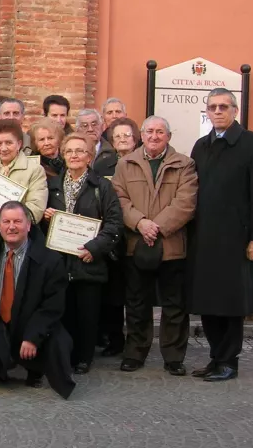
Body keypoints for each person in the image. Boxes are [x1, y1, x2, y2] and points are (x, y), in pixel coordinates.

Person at [188, 88, 253, 382]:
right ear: (207, 112)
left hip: (237, 240)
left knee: (231, 303)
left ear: (235, 110)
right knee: (208, 302)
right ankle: (215, 357)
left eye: (224, 106)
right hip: (204, 239)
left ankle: (229, 361)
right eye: (212, 107)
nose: (218, 111)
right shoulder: (201, 146)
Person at [113, 116, 197, 376]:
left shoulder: (185, 164)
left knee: (174, 305)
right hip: (136, 244)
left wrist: (155, 227)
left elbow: (186, 203)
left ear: (168, 136)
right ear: (141, 135)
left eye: (160, 132)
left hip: (171, 246)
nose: (154, 136)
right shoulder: (125, 164)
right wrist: (140, 224)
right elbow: (119, 199)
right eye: (149, 131)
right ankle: (135, 353)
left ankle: (173, 356)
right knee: (137, 303)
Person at [0, 202, 75, 398]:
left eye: (17, 221)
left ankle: (35, 369)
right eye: (6, 221)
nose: (11, 227)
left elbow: (52, 305)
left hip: (29, 320)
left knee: (58, 339)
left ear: (28, 225)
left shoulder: (50, 260)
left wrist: (33, 336)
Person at [42, 133, 123, 374]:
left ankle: (84, 358)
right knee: (63, 313)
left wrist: (94, 249)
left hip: (88, 263)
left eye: (80, 151)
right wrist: (46, 219)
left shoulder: (102, 187)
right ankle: (63, 355)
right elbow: (39, 227)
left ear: (90, 157)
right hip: (59, 262)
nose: (75, 155)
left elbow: (114, 224)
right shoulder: (52, 186)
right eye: (69, 151)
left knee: (87, 315)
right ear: (63, 155)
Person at [89, 116, 141, 355]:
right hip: (110, 236)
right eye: (117, 136)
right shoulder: (103, 164)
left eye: (127, 135)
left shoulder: (142, 161)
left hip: (136, 233)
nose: (122, 139)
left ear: (135, 138)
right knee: (112, 294)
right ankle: (114, 339)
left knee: (135, 293)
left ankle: (137, 341)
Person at [0, 120, 48, 230]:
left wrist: (5, 215)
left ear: (19, 144)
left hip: (20, 233)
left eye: (9, 143)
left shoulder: (35, 170)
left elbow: (36, 209)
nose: (3, 149)